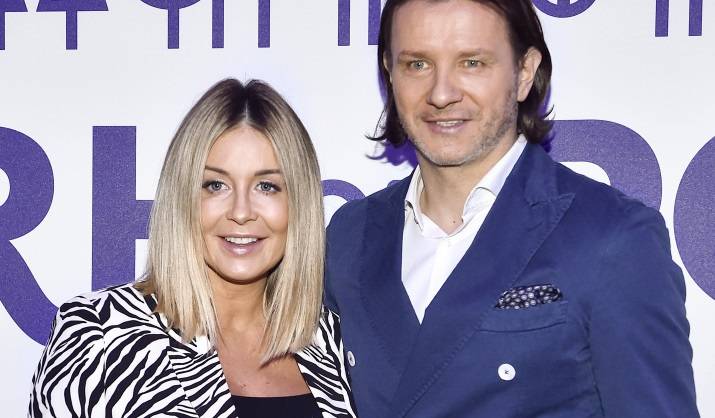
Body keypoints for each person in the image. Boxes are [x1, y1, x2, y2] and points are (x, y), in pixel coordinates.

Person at [325, 1, 699, 417]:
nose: (441, 94)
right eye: (417, 64)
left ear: (524, 73)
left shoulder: (613, 237)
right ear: (390, 72)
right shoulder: (349, 236)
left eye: (471, 63)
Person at [30, 79, 356, 418]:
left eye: (266, 186)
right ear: (182, 197)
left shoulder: (333, 344)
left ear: (299, 204)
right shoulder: (97, 335)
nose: (241, 212)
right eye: (215, 185)